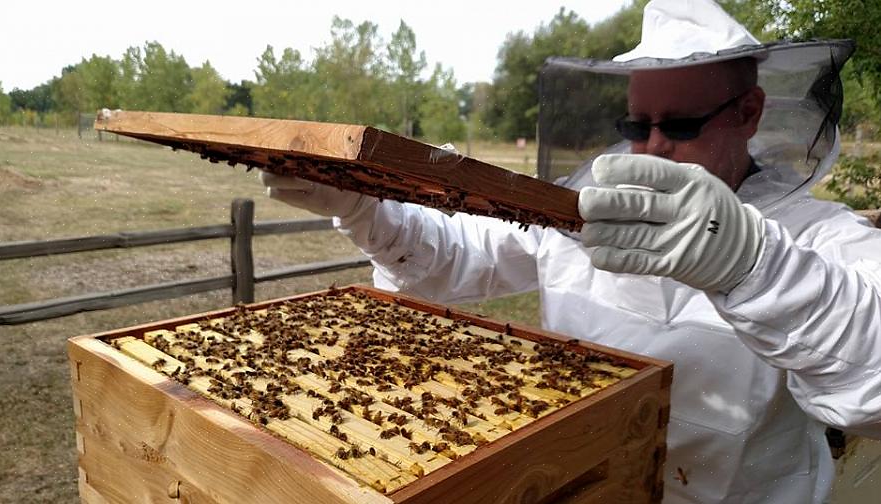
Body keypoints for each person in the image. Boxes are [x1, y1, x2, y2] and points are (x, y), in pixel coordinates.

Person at [261, 1, 881, 502]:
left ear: (749, 112)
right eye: (637, 126)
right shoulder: (585, 207)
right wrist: (363, 207)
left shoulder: (821, 237)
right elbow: (452, 257)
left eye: (682, 126)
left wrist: (749, 264)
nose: (652, 151)